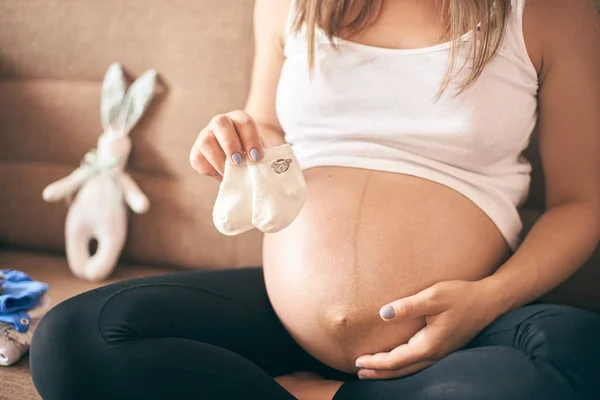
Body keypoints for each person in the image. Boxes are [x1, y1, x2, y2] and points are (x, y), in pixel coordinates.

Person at [30, 0, 600, 399]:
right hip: (284, 316)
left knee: (576, 355)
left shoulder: (548, 11)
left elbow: (581, 202)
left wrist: (488, 299)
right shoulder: (289, 2)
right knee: (73, 339)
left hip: (461, 327)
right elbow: (267, 127)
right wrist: (239, 137)